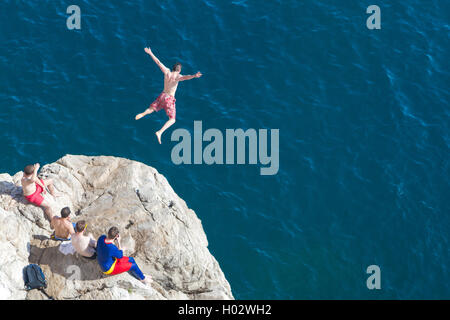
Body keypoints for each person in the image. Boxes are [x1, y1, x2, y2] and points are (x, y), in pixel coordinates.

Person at [135, 46, 203, 144]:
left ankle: (143, 113)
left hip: (162, 95)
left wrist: (150, 53)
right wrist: (194, 76)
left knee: (152, 109)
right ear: (179, 70)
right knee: (172, 120)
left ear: (173, 68)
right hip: (169, 99)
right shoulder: (178, 76)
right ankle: (160, 132)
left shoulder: (167, 71)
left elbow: (158, 62)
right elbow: (186, 77)